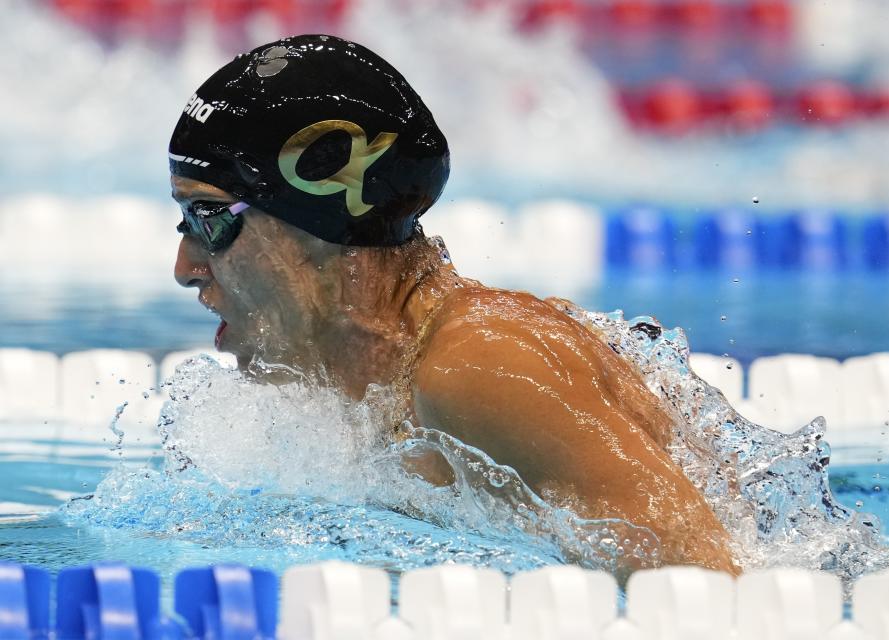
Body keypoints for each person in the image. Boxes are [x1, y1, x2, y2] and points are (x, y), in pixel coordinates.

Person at [170, 35, 738, 575]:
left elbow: (708, 590)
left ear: (318, 227)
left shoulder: (482, 366)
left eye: (209, 218)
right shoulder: (377, 386)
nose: (185, 268)